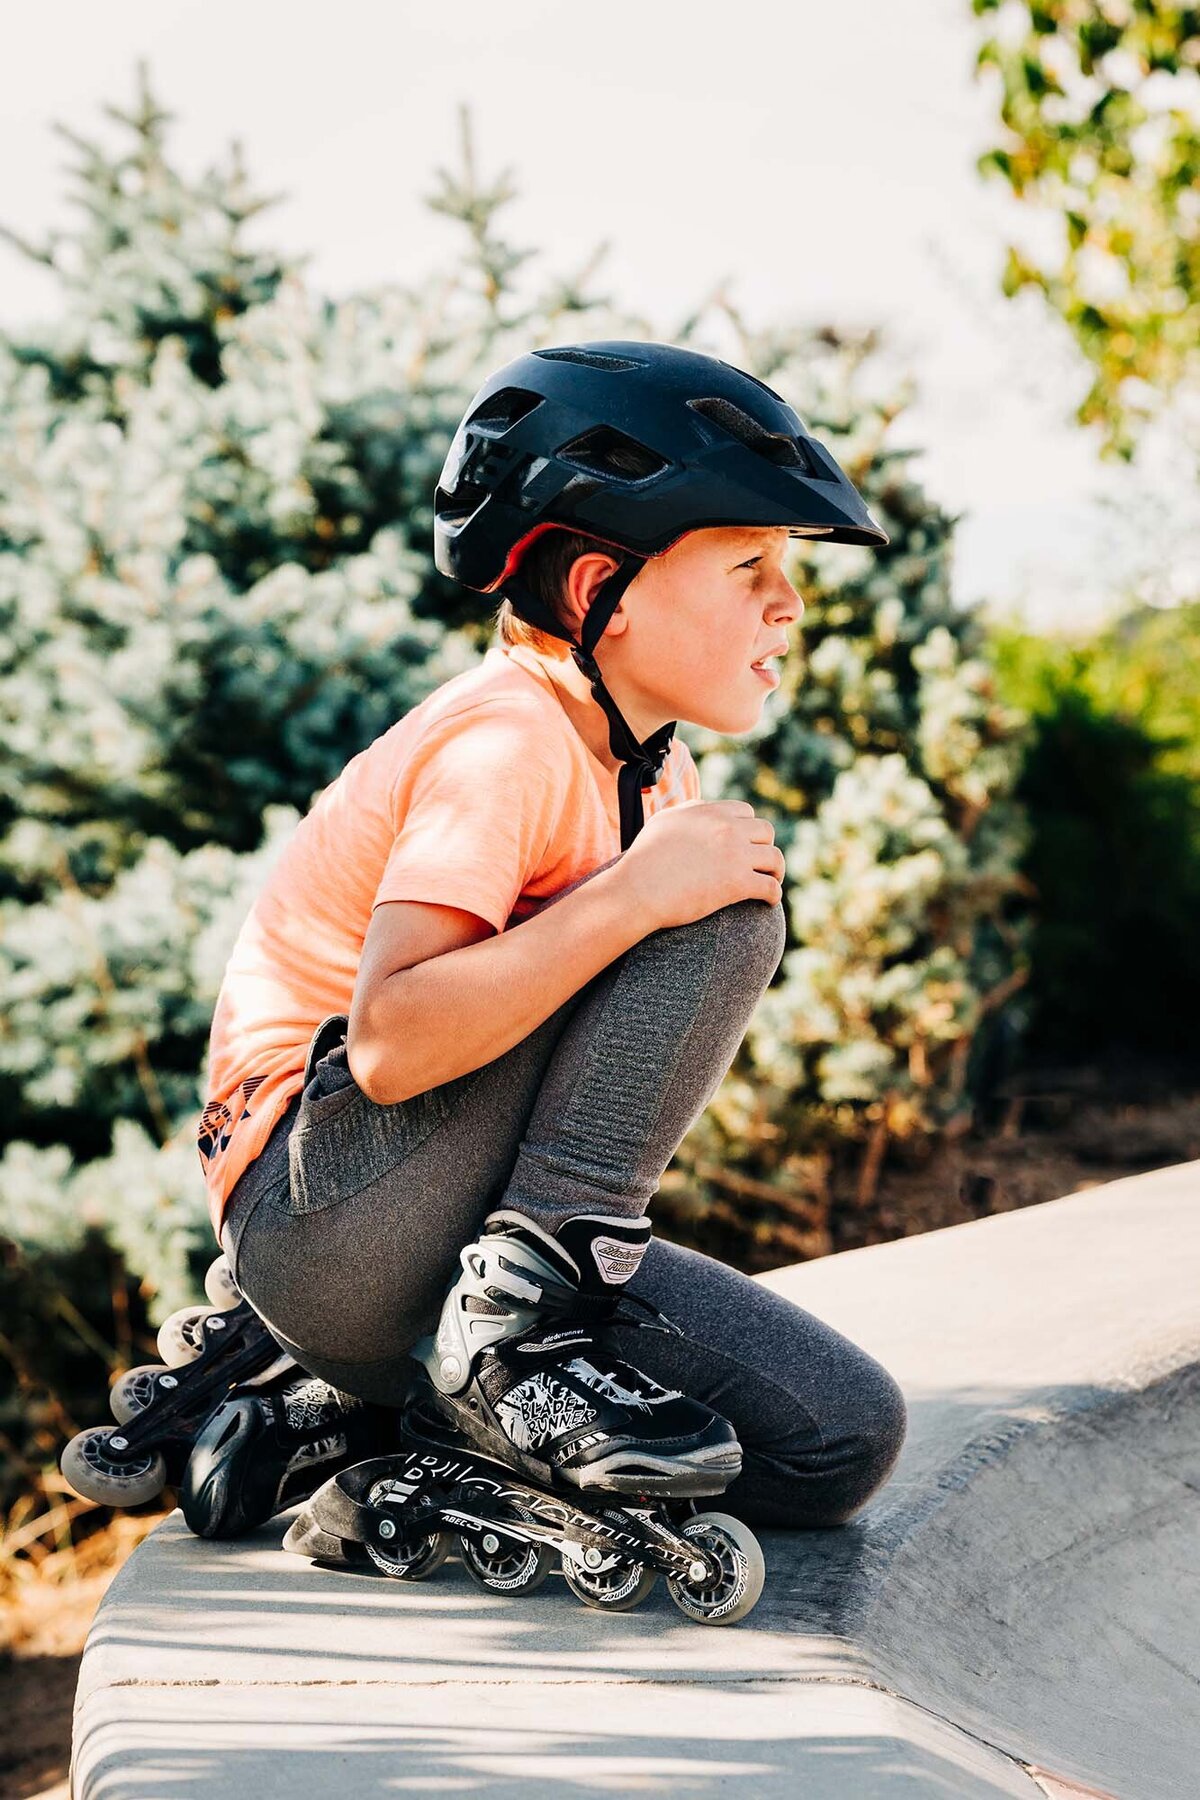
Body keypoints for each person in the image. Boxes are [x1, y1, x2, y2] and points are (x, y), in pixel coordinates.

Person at [195, 339, 908, 1534]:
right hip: (323, 1214)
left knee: (839, 1438)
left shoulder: (651, 773)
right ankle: (505, 1346)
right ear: (595, 594)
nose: (788, 601)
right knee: (723, 896)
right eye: (745, 565)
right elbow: (388, 1043)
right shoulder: (504, 742)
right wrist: (634, 900)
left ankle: (357, 1422)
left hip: (444, 1240)